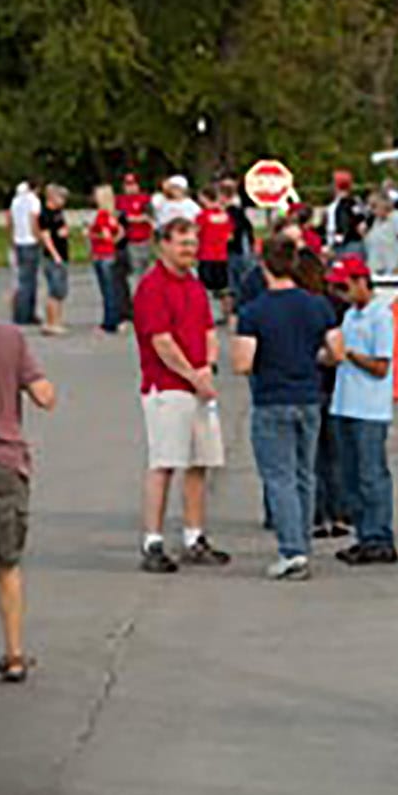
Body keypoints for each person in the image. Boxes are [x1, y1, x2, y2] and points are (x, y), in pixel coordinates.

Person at [231, 235, 343, 581]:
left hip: (272, 396)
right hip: (308, 395)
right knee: (304, 474)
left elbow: (242, 362)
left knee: (278, 477)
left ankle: (291, 550)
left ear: (264, 265)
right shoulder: (317, 305)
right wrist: (312, 357)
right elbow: (336, 352)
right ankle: (303, 543)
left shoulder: (253, 312)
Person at [132, 217, 232, 574]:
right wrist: (192, 374)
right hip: (167, 388)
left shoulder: (194, 285)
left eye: (193, 244)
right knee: (164, 463)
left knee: (198, 463)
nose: (190, 251)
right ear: (164, 245)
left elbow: (208, 330)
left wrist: (208, 368)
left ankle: (194, 536)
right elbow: (161, 342)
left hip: (198, 387)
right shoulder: (152, 287)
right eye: (182, 244)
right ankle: (153, 540)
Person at [0, 320, 55, 685]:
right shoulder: (9, 338)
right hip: (3, 460)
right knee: (7, 564)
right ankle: (14, 654)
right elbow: (44, 395)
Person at [326, 257, 398, 565]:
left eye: (345, 287)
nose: (341, 294)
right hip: (345, 402)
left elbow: (381, 366)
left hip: (369, 407)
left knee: (371, 475)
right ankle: (363, 534)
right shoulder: (350, 316)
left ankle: (379, 536)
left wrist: (350, 355)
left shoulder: (380, 317)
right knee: (350, 476)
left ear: (361, 282)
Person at [297, 252, 352, 542]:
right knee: (337, 455)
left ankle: (316, 516)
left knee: (310, 458)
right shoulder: (334, 306)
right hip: (336, 386)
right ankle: (341, 512)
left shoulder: (296, 307)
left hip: (306, 385)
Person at [87, 185, 125, 334]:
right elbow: (119, 232)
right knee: (112, 289)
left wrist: (90, 234)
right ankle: (116, 318)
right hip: (110, 253)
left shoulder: (101, 215)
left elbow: (105, 235)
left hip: (101, 254)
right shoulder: (112, 215)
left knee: (107, 290)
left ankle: (109, 322)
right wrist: (114, 241)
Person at [195, 189, 235, 324]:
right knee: (223, 287)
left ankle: (207, 315)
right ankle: (227, 314)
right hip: (221, 256)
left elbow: (196, 232)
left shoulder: (203, 215)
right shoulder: (225, 216)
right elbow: (230, 237)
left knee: (204, 288)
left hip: (206, 255)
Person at [37, 185, 71, 336]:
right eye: (61, 198)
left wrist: (65, 232)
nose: (63, 201)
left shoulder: (58, 213)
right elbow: (46, 237)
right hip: (53, 257)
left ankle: (58, 321)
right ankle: (51, 323)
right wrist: (55, 254)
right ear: (52, 198)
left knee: (61, 291)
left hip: (63, 254)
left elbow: (62, 229)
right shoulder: (45, 214)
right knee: (54, 290)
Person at [9, 182, 41, 327]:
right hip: (30, 241)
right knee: (30, 280)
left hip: (18, 240)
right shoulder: (33, 201)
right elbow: (33, 219)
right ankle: (27, 314)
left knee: (22, 279)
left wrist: (12, 237)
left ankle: (20, 313)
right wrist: (38, 237)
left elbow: (9, 219)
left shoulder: (15, 201)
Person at [364, 191, 398, 276]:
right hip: (376, 272)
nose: (372, 210)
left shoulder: (396, 218)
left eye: (374, 206)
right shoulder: (376, 221)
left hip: (392, 272)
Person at [223, 180, 256, 302]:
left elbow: (240, 229)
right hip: (235, 249)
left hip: (238, 249)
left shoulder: (234, 210)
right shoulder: (233, 209)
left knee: (238, 273)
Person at [117, 173, 155, 278]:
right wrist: (136, 218)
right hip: (130, 239)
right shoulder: (120, 200)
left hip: (145, 238)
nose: (130, 188)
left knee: (147, 266)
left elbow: (149, 216)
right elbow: (121, 218)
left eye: (133, 184)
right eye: (127, 185)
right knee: (136, 268)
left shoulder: (145, 199)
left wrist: (135, 218)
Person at [324, 170, 365, 257]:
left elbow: (360, 224)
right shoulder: (334, 204)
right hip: (336, 244)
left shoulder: (351, 203)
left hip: (348, 244)